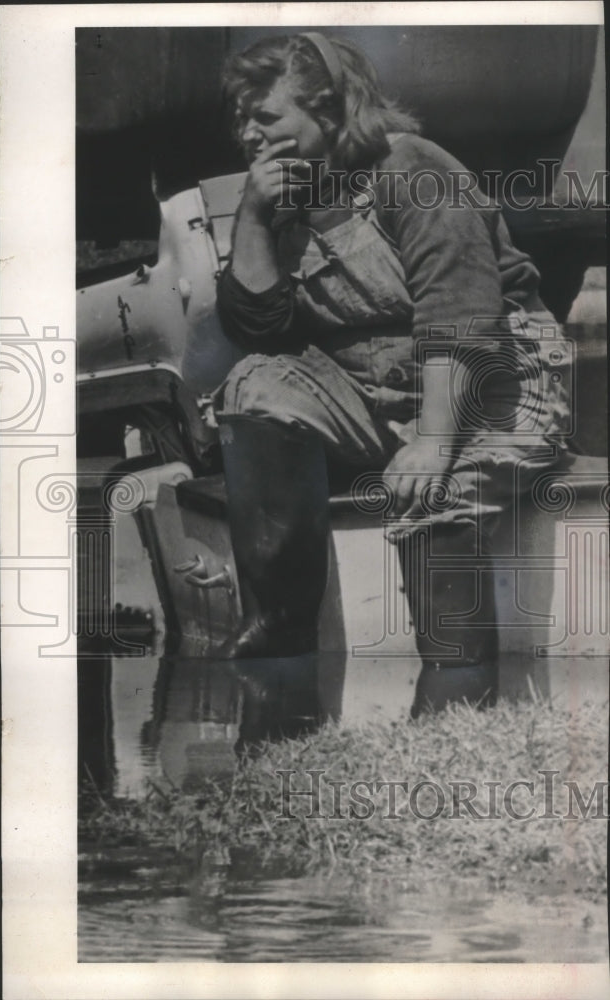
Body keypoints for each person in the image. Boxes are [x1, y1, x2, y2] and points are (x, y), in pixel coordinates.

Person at [212, 31, 571, 716]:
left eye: (265, 117)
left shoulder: (414, 169)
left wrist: (433, 442)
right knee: (254, 385)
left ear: (329, 109)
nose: (248, 135)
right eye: (240, 120)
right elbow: (259, 329)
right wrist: (254, 218)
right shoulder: (287, 193)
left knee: (437, 492)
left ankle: (457, 685)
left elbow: (461, 315)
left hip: (495, 379)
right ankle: (279, 638)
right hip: (368, 387)